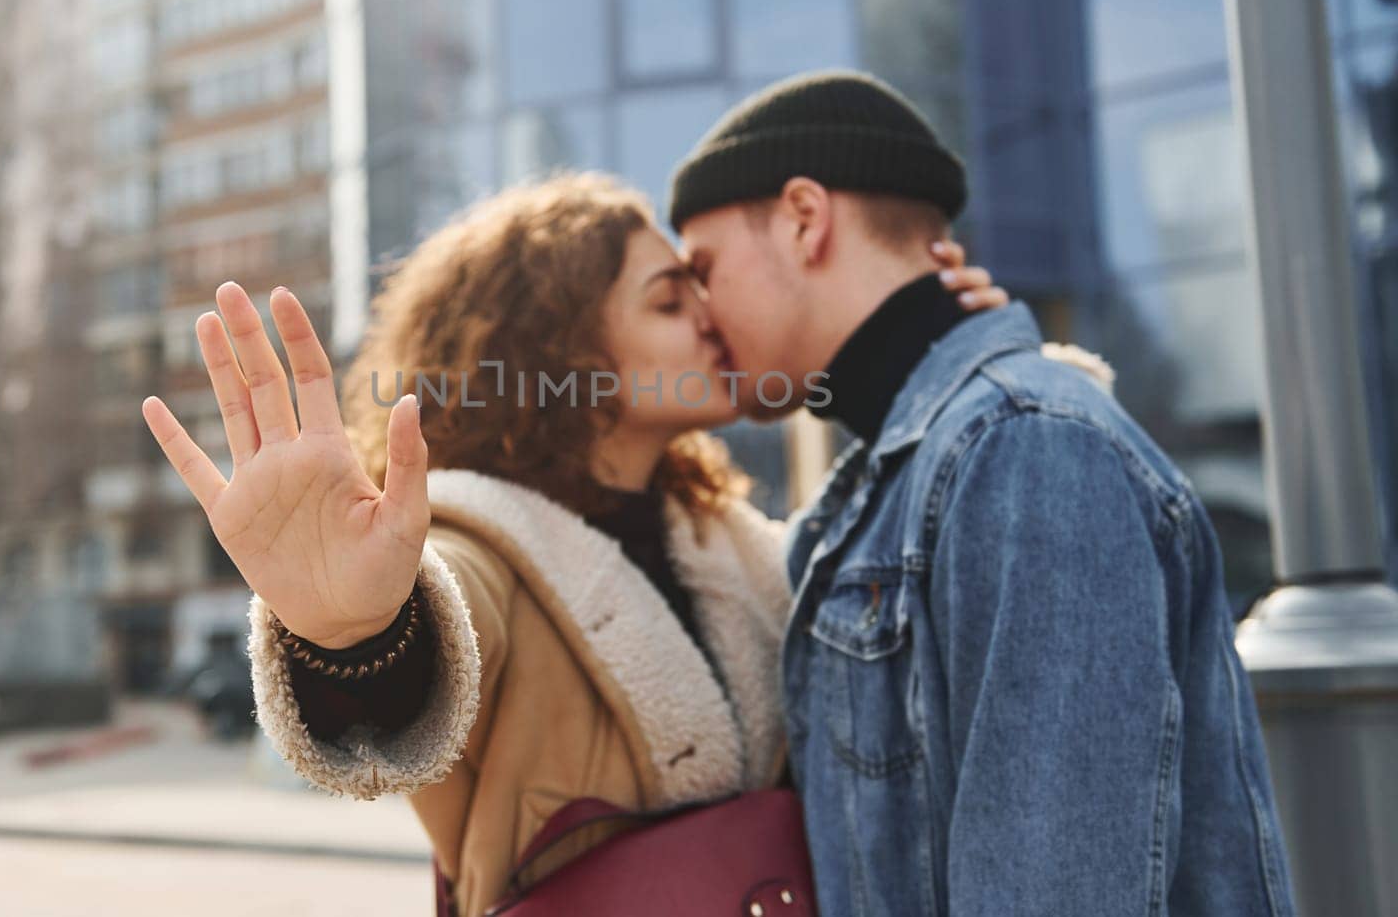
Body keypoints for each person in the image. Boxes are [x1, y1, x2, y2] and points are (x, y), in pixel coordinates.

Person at [141, 173, 1046, 916]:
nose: (709, 313)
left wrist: (945, 363)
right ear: (564, 353)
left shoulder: (738, 546)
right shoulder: (475, 537)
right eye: (667, 297)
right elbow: (435, 624)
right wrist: (350, 634)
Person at [668, 69, 1296, 915]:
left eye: (705, 268)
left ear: (805, 220)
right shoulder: (884, 491)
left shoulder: (1029, 449)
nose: (702, 311)